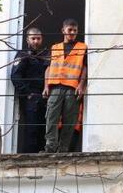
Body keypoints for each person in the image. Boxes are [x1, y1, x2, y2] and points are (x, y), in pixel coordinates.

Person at [42, 18, 87, 153]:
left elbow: (84, 68)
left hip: (72, 88)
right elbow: (48, 68)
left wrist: (81, 85)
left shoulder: (82, 47)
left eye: (75, 31)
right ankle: (50, 147)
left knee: (70, 120)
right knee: (51, 117)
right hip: (55, 87)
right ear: (63, 31)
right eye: (70, 30)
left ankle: (63, 149)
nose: (72, 33)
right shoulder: (55, 48)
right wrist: (46, 86)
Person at [10, 27, 49, 153]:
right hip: (31, 98)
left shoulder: (45, 55)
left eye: (38, 38)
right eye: (33, 39)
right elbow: (15, 76)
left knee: (44, 130)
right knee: (31, 130)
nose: (36, 41)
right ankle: (29, 157)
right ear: (27, 39)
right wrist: (28, 94)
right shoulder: (23, 54)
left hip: (45, 97)